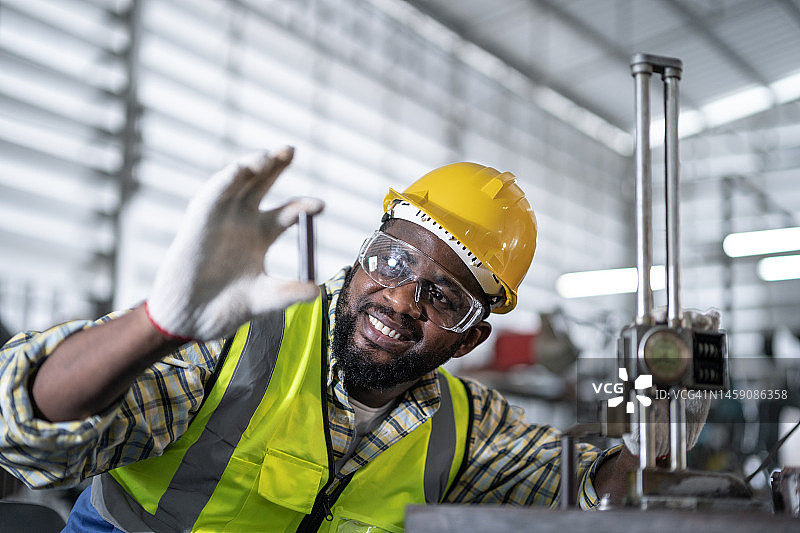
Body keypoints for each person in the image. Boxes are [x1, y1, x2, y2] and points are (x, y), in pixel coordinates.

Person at [0, 147, 642, 532]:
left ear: (471, 338)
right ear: (365, 253)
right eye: (392, 262)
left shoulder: (468, 426)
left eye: (441, 297)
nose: (399, 298)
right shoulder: (239, 339)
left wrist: (659, 425)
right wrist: (156, 325)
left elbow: (591, 495)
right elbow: (23, 430)